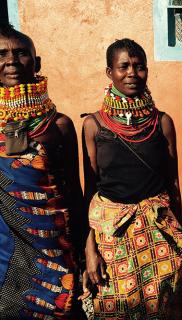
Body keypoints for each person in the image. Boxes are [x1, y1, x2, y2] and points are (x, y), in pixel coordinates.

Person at [81, 38, 182, 319]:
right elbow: (89, 192)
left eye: (139, 66)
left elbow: (172, 182)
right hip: (112, 235)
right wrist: (89, 250)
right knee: (116, 308)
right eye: (123, 66)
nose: (132, 73)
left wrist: (181, 229)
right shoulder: (93, 126)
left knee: (166, 306)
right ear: (109, 72)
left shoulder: (162, 123)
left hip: (158, 231)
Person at [0, 23, 85, 318]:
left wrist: (87, 251)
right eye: (2, 54)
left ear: (36, 63)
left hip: (54, 254)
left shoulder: (58, 126)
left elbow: (74, 191)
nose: (11, 60)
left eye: (21, 53)